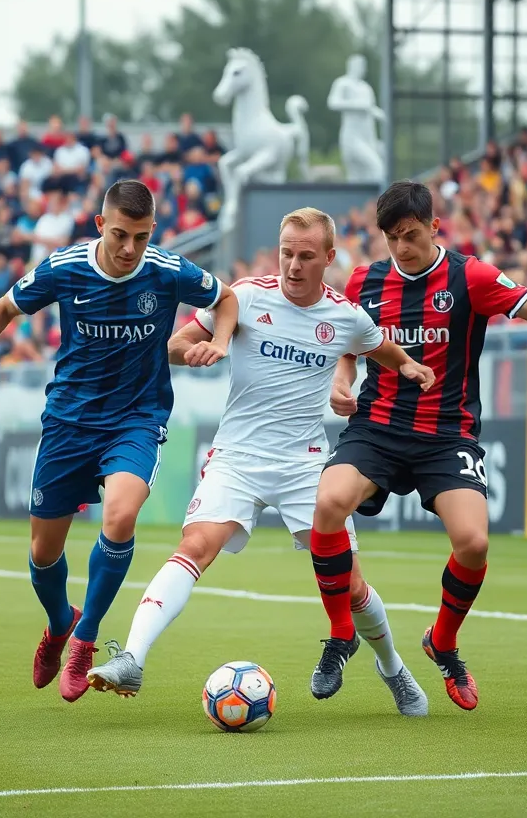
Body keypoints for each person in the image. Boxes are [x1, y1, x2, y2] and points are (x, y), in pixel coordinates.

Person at [86, 207, 433, 715]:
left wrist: (409, 367)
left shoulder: (344, 316)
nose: (293, 265)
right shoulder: (245, 296)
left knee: (352, 584)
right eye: (287, 253)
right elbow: (175, 344)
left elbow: (379, 347)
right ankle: (132, 658)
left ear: (328, 258)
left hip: (305, 465)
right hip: (238, 456)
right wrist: (198, 351)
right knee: (195, 546)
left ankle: (392, 667)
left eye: (306, 256)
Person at [0, 179, 238, 703]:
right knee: (44, 553)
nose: (128, 248)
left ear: (152, 231)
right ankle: (60, 622)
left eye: (140, 236)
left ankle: (85, 641)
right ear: (99, 225)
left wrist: (220, 341)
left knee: (120, 516)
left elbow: (226, 298)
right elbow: (3, 309)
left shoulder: (168, 270)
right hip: (68, 422)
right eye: (119, 235)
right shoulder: (64, 268)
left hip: (136, 418)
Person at [307, 180, 527, 710]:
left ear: (435, 226)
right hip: (377, 429)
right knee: (327, 503)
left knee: (474, 544)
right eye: (391, 237)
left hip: (446, 435)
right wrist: (341, 382)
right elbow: (349, 343)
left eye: (410, 235)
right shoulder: (366, 280)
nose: (401, 247)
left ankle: (442, 641)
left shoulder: (471, 276)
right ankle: (341, 634)